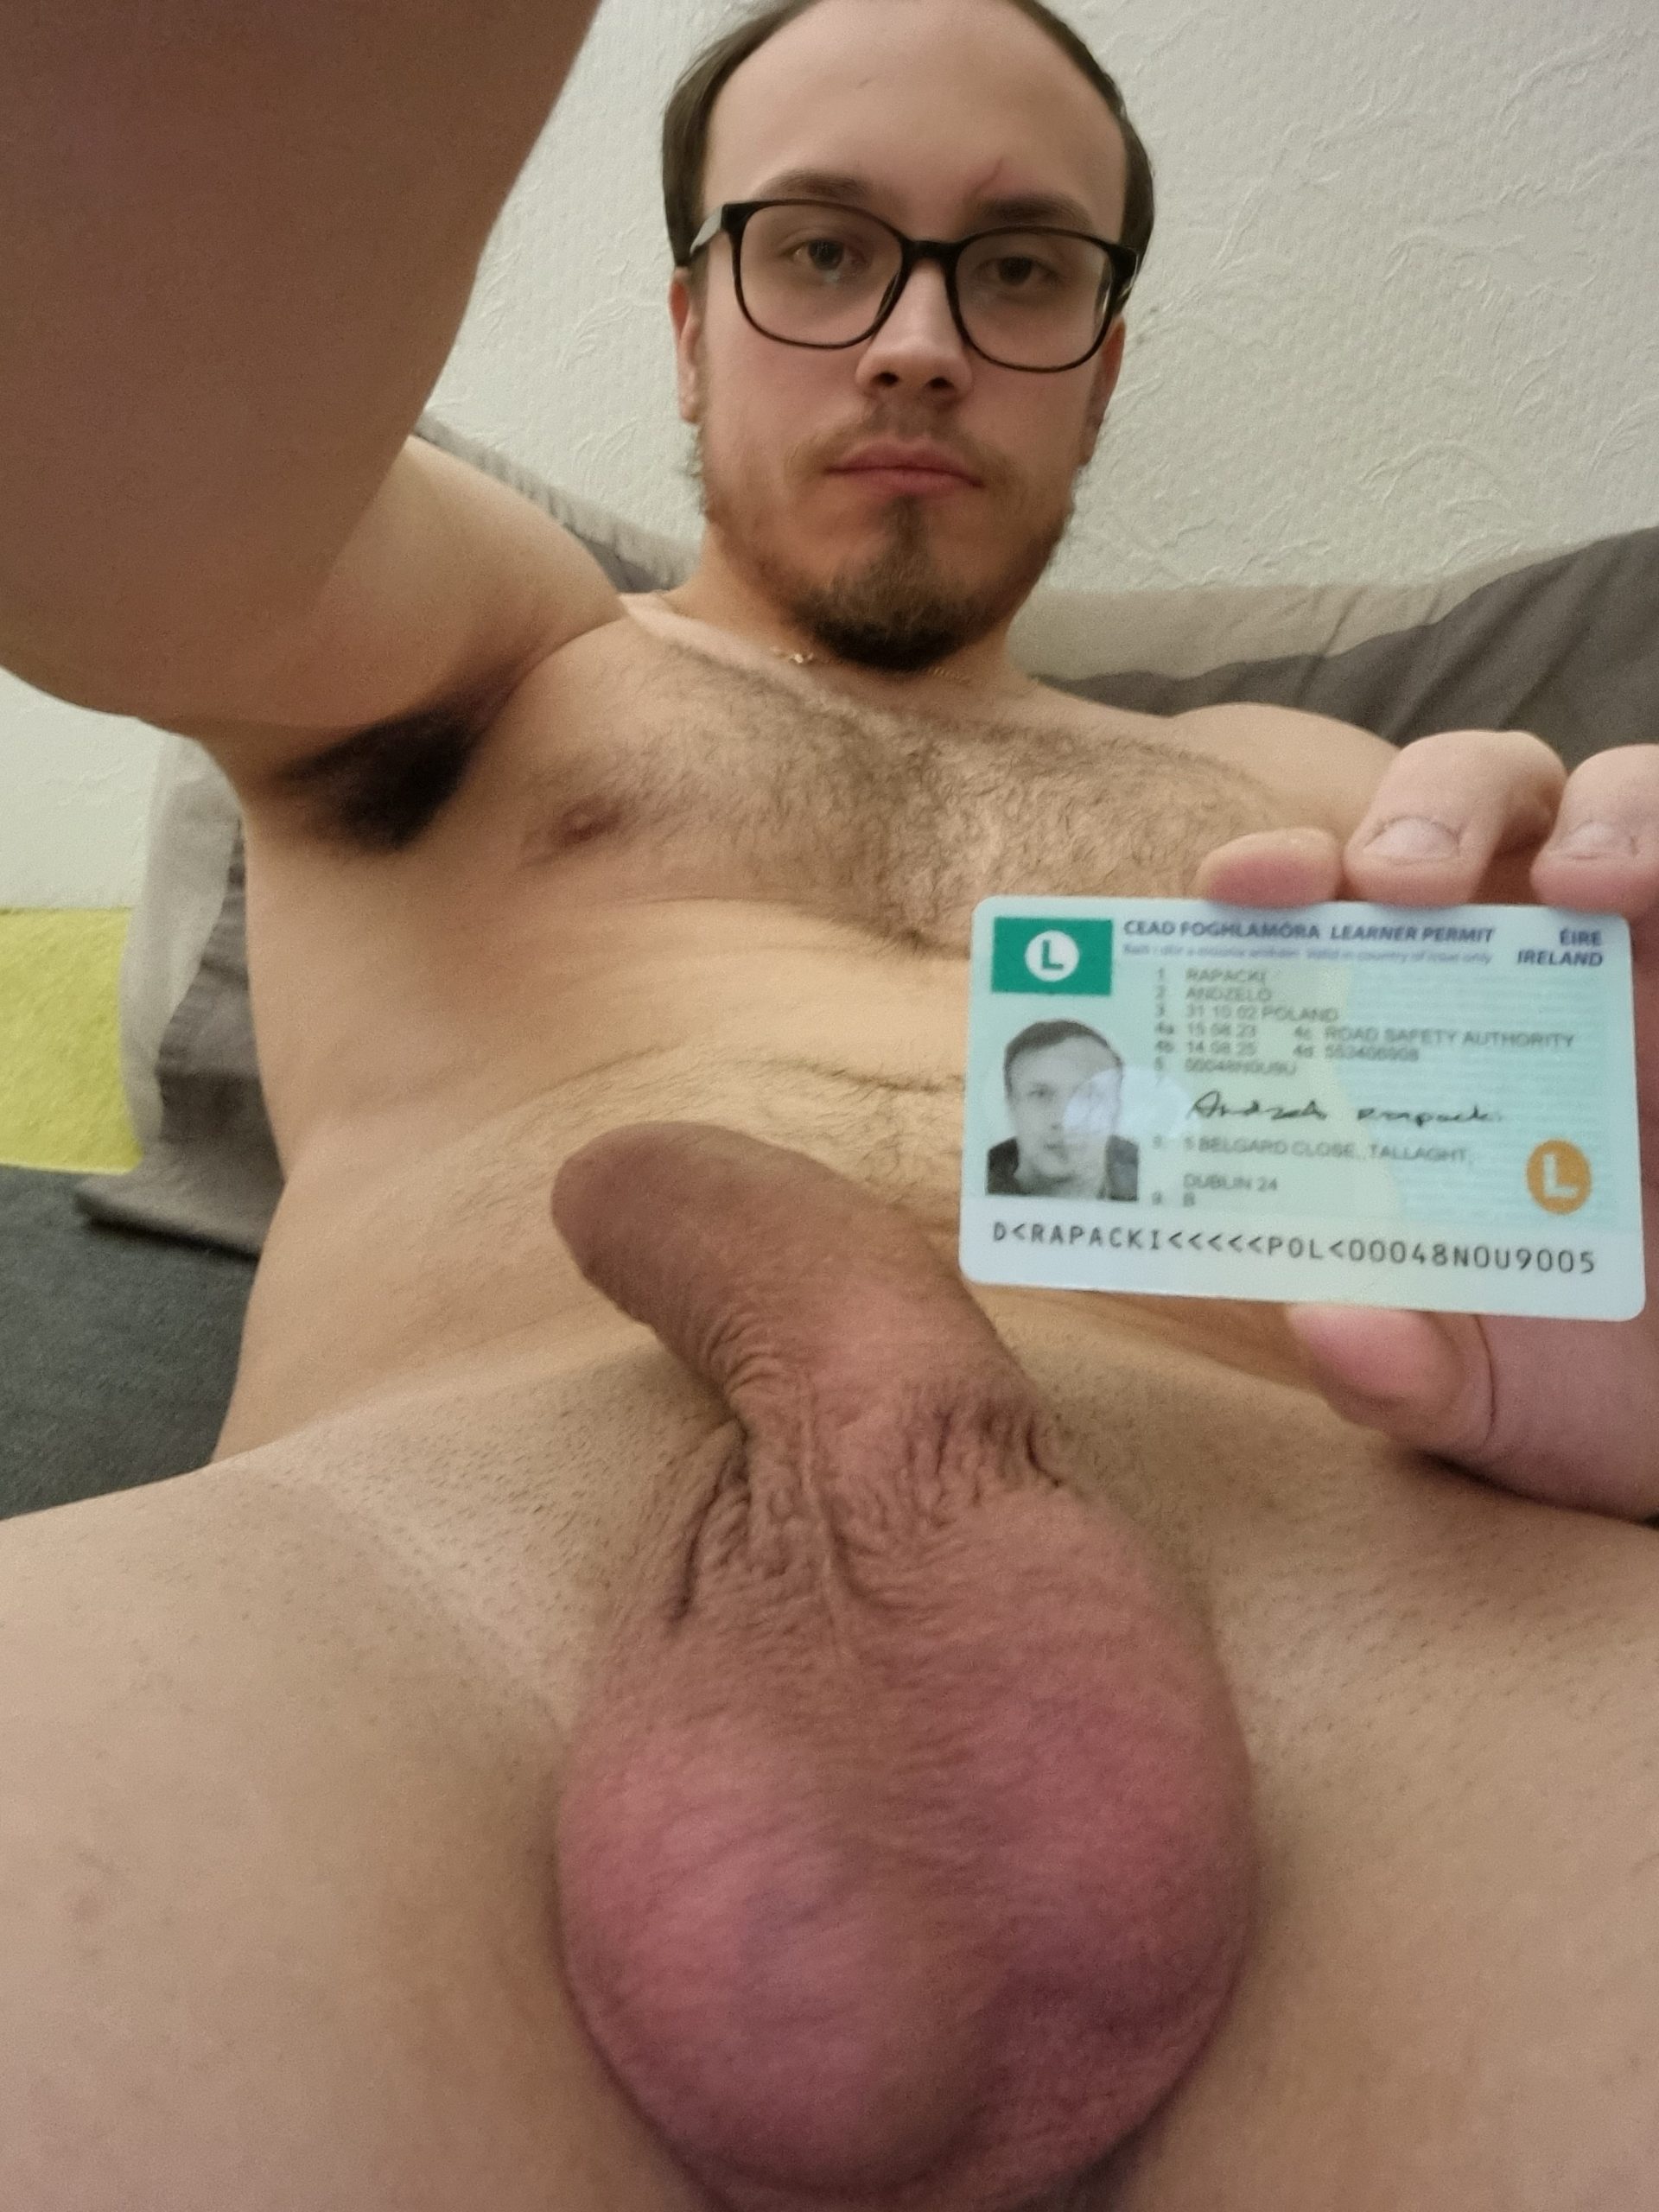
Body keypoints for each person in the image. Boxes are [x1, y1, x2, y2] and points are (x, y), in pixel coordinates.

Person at [2, 0, 1658, 2205]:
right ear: (693, 327)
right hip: (402, 1624)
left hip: (1401, 1681)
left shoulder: (1330, 785)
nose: (916, 342)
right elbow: (124, 514)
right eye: (819, 249)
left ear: (1101, 363)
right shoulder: (496, 650)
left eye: (1021, 267)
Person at [987, 1019, 1140, 1198]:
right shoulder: (972, 1184)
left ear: (1116, 1108)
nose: (1063, 1120)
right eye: (1040, 1094)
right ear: (1011, 1106)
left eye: (1087, 1096)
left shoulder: (1153, 1179)